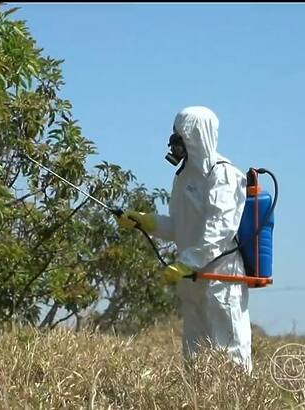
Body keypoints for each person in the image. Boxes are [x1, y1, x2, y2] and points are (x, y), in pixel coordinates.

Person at [117, 106, 252, 373]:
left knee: (229, 349)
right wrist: (147, 221)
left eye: (182, 133)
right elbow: (180, 226)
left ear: (197, 134)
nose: (176, 140)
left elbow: (220, 229)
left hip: (221, 278)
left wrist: (187, 262)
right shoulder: (183, 176)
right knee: (195, 354)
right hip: (192, 279)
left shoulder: (222, 174)